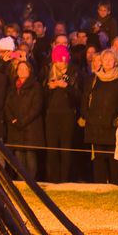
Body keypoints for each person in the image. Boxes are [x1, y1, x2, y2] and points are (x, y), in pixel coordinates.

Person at [82, 50, 118, 184]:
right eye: (104, 59)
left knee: (114, 159)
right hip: (95, 125)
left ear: (115, 62)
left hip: (111, 125)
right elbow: (85, 99)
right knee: (98, 159)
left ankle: (115, 185)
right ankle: (99, 185)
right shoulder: (94, 79)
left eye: (110, 59)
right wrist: (87, 116)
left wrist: (115, 119)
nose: (107, 62)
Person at [43, 45, 79, 183]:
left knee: (66, 148)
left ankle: (65, 179)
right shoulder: (48, 72)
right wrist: (49, 88)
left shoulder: (73, 73)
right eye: (58, 61)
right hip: (51, 114)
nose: (61, 63)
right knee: (51, 148)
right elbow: (42, 94)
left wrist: (66, 87)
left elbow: (77, 95)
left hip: (67, 114)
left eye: (64, 61)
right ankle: (53, 179)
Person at [5, 60, 44, 181]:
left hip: (30, 127)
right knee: (18, 156)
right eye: (20, 69)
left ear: (29, 71)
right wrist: (13, 120)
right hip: (15, 128)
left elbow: (36, 107)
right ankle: (21, 181)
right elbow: (7, 105)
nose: (22, 71)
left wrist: (22, 121)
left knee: (30, 156)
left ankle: (31, 182)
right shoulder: (12, 87)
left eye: (24, 69)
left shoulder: (36, 86)